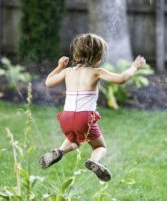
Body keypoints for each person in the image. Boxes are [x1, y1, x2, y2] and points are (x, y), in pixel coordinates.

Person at [39, 33, 146, 182]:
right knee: (100, 147)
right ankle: (94, 161)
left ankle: (60, 151)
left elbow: (48, 82)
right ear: (97, 57)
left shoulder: (68, 71)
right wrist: (134, 67)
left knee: (74, 140)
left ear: (76, 54)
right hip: (84, 118)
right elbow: (121, 79)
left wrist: (59, 67)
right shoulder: (97, 72)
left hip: (66, 117)